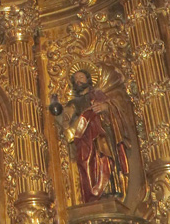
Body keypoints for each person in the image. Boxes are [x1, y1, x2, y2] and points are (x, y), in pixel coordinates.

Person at [49, 70, 130, 202]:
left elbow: (118, 108)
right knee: (86, 164)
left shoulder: (98, 95)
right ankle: (91, 196)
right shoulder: (74, 103)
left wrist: (106, 107)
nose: (78, 81)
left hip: (100, 134)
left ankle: (110, 190)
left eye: (81, 77)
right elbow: (65, 119)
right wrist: (56, 107)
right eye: (76, 79)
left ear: (88, 79)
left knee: (104, 159)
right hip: (84, 139)